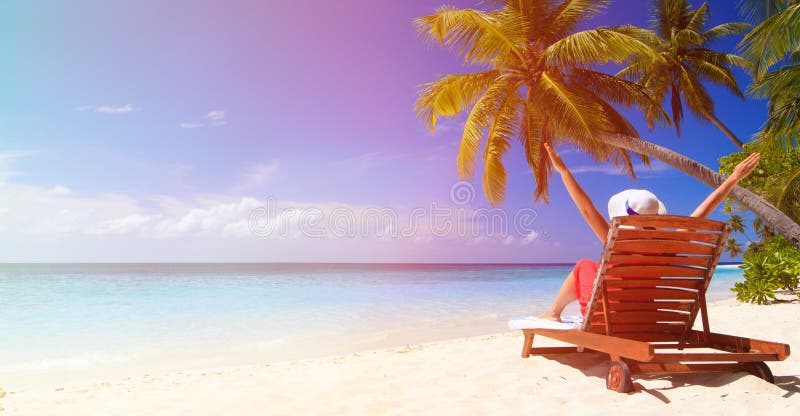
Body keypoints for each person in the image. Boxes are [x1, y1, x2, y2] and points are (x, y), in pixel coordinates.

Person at [538, 143, 761, 322]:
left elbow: (587, 210)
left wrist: (564, 171)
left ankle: (553, 313)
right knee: (593, 268)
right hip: (644, 316)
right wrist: (733, 179)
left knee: (584, 266)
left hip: (606, 317)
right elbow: (701, 213)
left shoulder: (617, 241)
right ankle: (554, 313)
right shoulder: (668, 246)